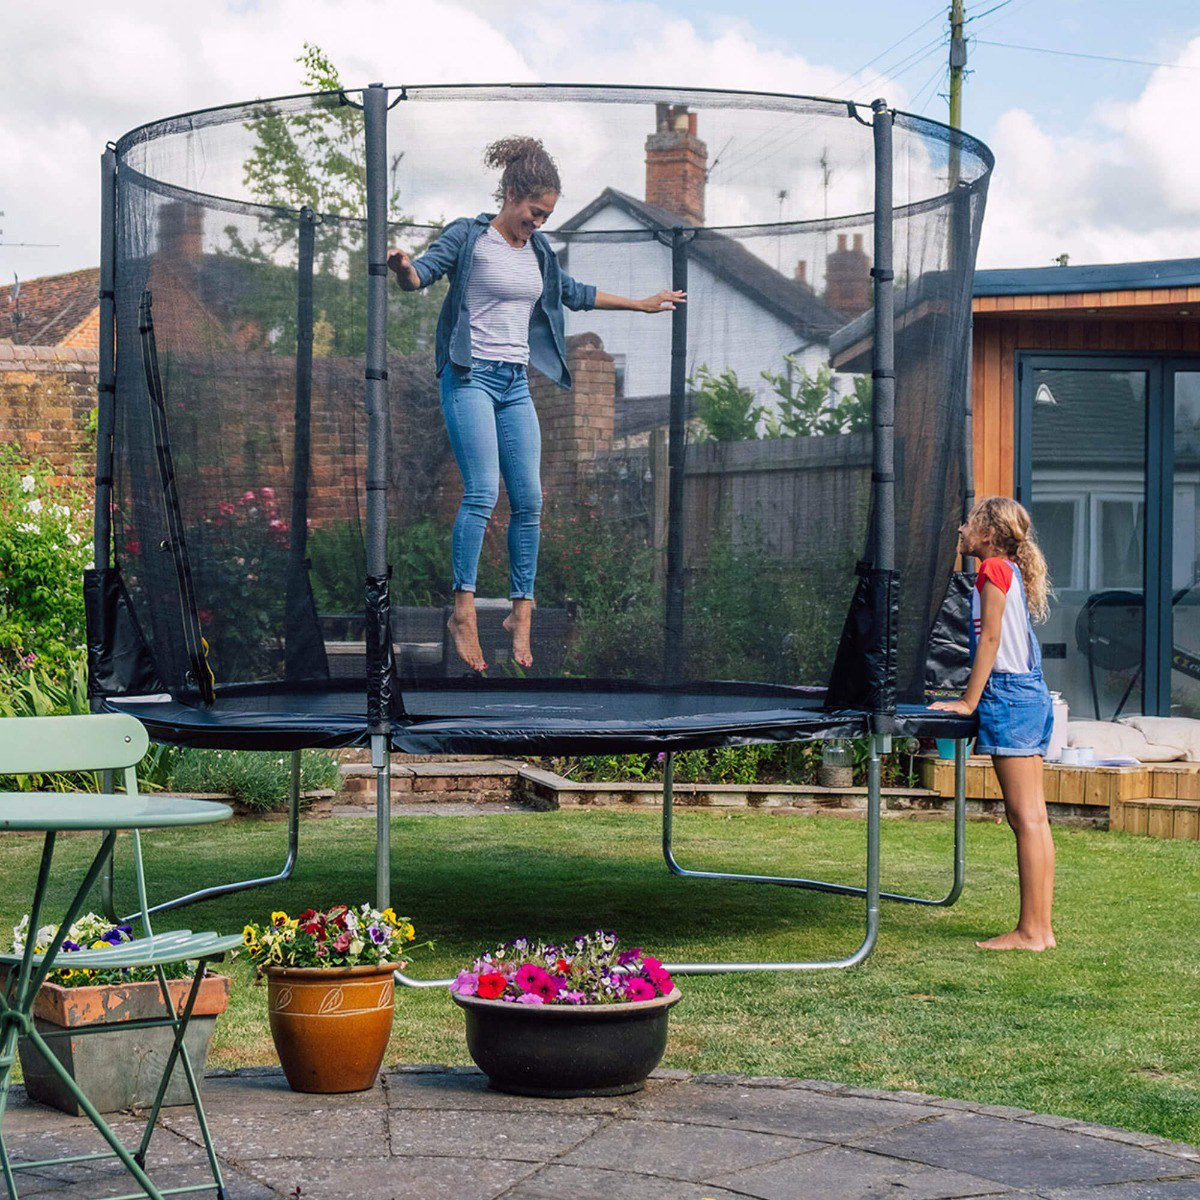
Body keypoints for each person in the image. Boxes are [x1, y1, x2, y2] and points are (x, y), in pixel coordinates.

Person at [388, 136, 684, 672]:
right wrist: (403, 268)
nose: (538, 223)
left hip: (514, 384)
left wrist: (641, 305)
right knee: (483, 490)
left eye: (546, 216)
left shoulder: (540, 251)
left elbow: (573, 291)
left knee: (530, 499)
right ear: (510, 194)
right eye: (533, 212)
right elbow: (422, 276)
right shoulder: (468, 236)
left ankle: (521, 609)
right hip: (469, 378)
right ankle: (463, 610)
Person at [931, 496, 1057, 951]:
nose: (961, 529)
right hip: (1029, 692)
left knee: (1026, 818)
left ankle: (1031, 932)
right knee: (1032, 819)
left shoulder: (991, 571)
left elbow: (991, 639)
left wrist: (968, 700)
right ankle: (1040, 930)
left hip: (1011, 695)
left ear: (987, 534)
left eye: (968, 523)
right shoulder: (1008, 571)